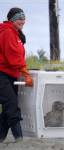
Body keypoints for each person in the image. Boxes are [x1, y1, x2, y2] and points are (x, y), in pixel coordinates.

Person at [0, 7, 33, 142]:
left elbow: (18, 56)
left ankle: (0, 138)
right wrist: (26, 74)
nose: (22, 21)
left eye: (23, 18)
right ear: (12, 19)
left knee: (8, 107)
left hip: (11, 75)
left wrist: (23, 72)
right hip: (1, 74)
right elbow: (13, 57)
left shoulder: (15, 33)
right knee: (12, 105)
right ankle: (19, 138)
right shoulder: (7, 32)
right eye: (19, 18)